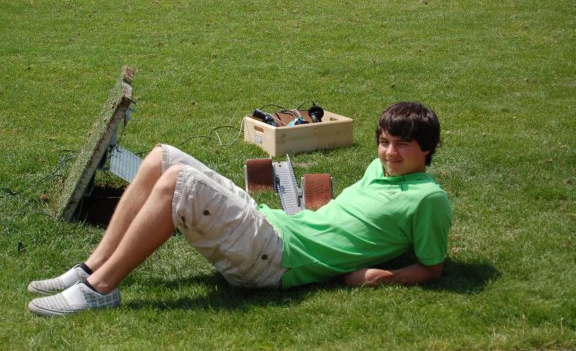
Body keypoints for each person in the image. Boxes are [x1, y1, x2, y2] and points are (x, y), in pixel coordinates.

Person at [28, 101, 452, 316]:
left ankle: (100, 291)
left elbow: (432, 268)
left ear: (428, 149)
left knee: (179, 183)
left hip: (277, 260)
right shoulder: (381, 169)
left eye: (402, 145)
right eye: (384, 142)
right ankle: (89, 269)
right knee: (161, 157)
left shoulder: (427, 199)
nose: (389, 152)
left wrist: (381, 277)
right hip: (271, 226)